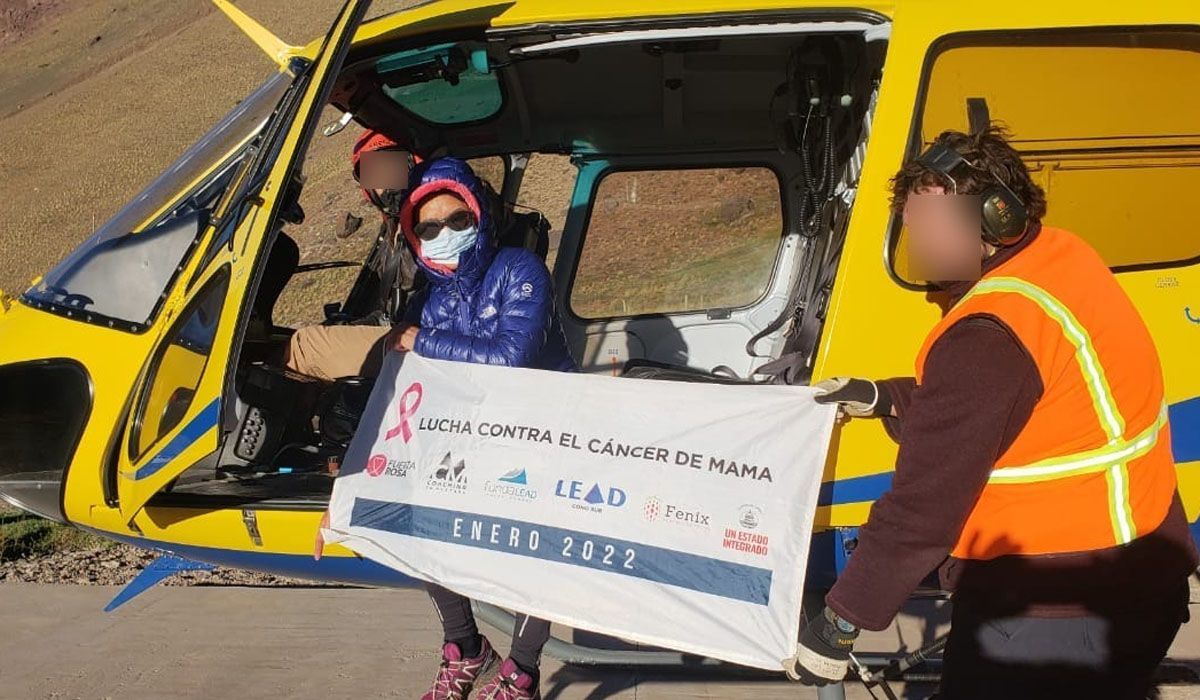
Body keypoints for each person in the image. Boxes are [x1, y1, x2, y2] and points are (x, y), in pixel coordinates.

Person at [795, 126, 1197, 699]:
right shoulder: (1059, 260)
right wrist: (885, 397)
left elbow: (922, 509)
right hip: (1139, 582)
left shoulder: (988, 333)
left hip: (1051, 613)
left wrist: (839, 624)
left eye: (928, 228)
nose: (916, 245)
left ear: (993, 222)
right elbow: (1021, 405)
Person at [317, 156, 575, 700]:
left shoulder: (521, 270)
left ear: (479, 216)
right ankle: (466, 648)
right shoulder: (430, 299)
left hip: (540, 431)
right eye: (429, 228)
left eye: (457, 220)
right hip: (475, 434)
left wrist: (421, 340)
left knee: (535, 545)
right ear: (415, 238)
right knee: (416, 516)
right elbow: (403, 395)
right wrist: (351, 490)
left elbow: (511, 359)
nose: (445, 233)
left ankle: (521, 673)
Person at [283, 129, 423, 381]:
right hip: (401, 331)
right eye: (375, 173)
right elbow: (391, 309)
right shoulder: (395, 226)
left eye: (393, 167)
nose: (386, 183)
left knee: (303, 347)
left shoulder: (429, 219)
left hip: (421, 342)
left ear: (412, 164)